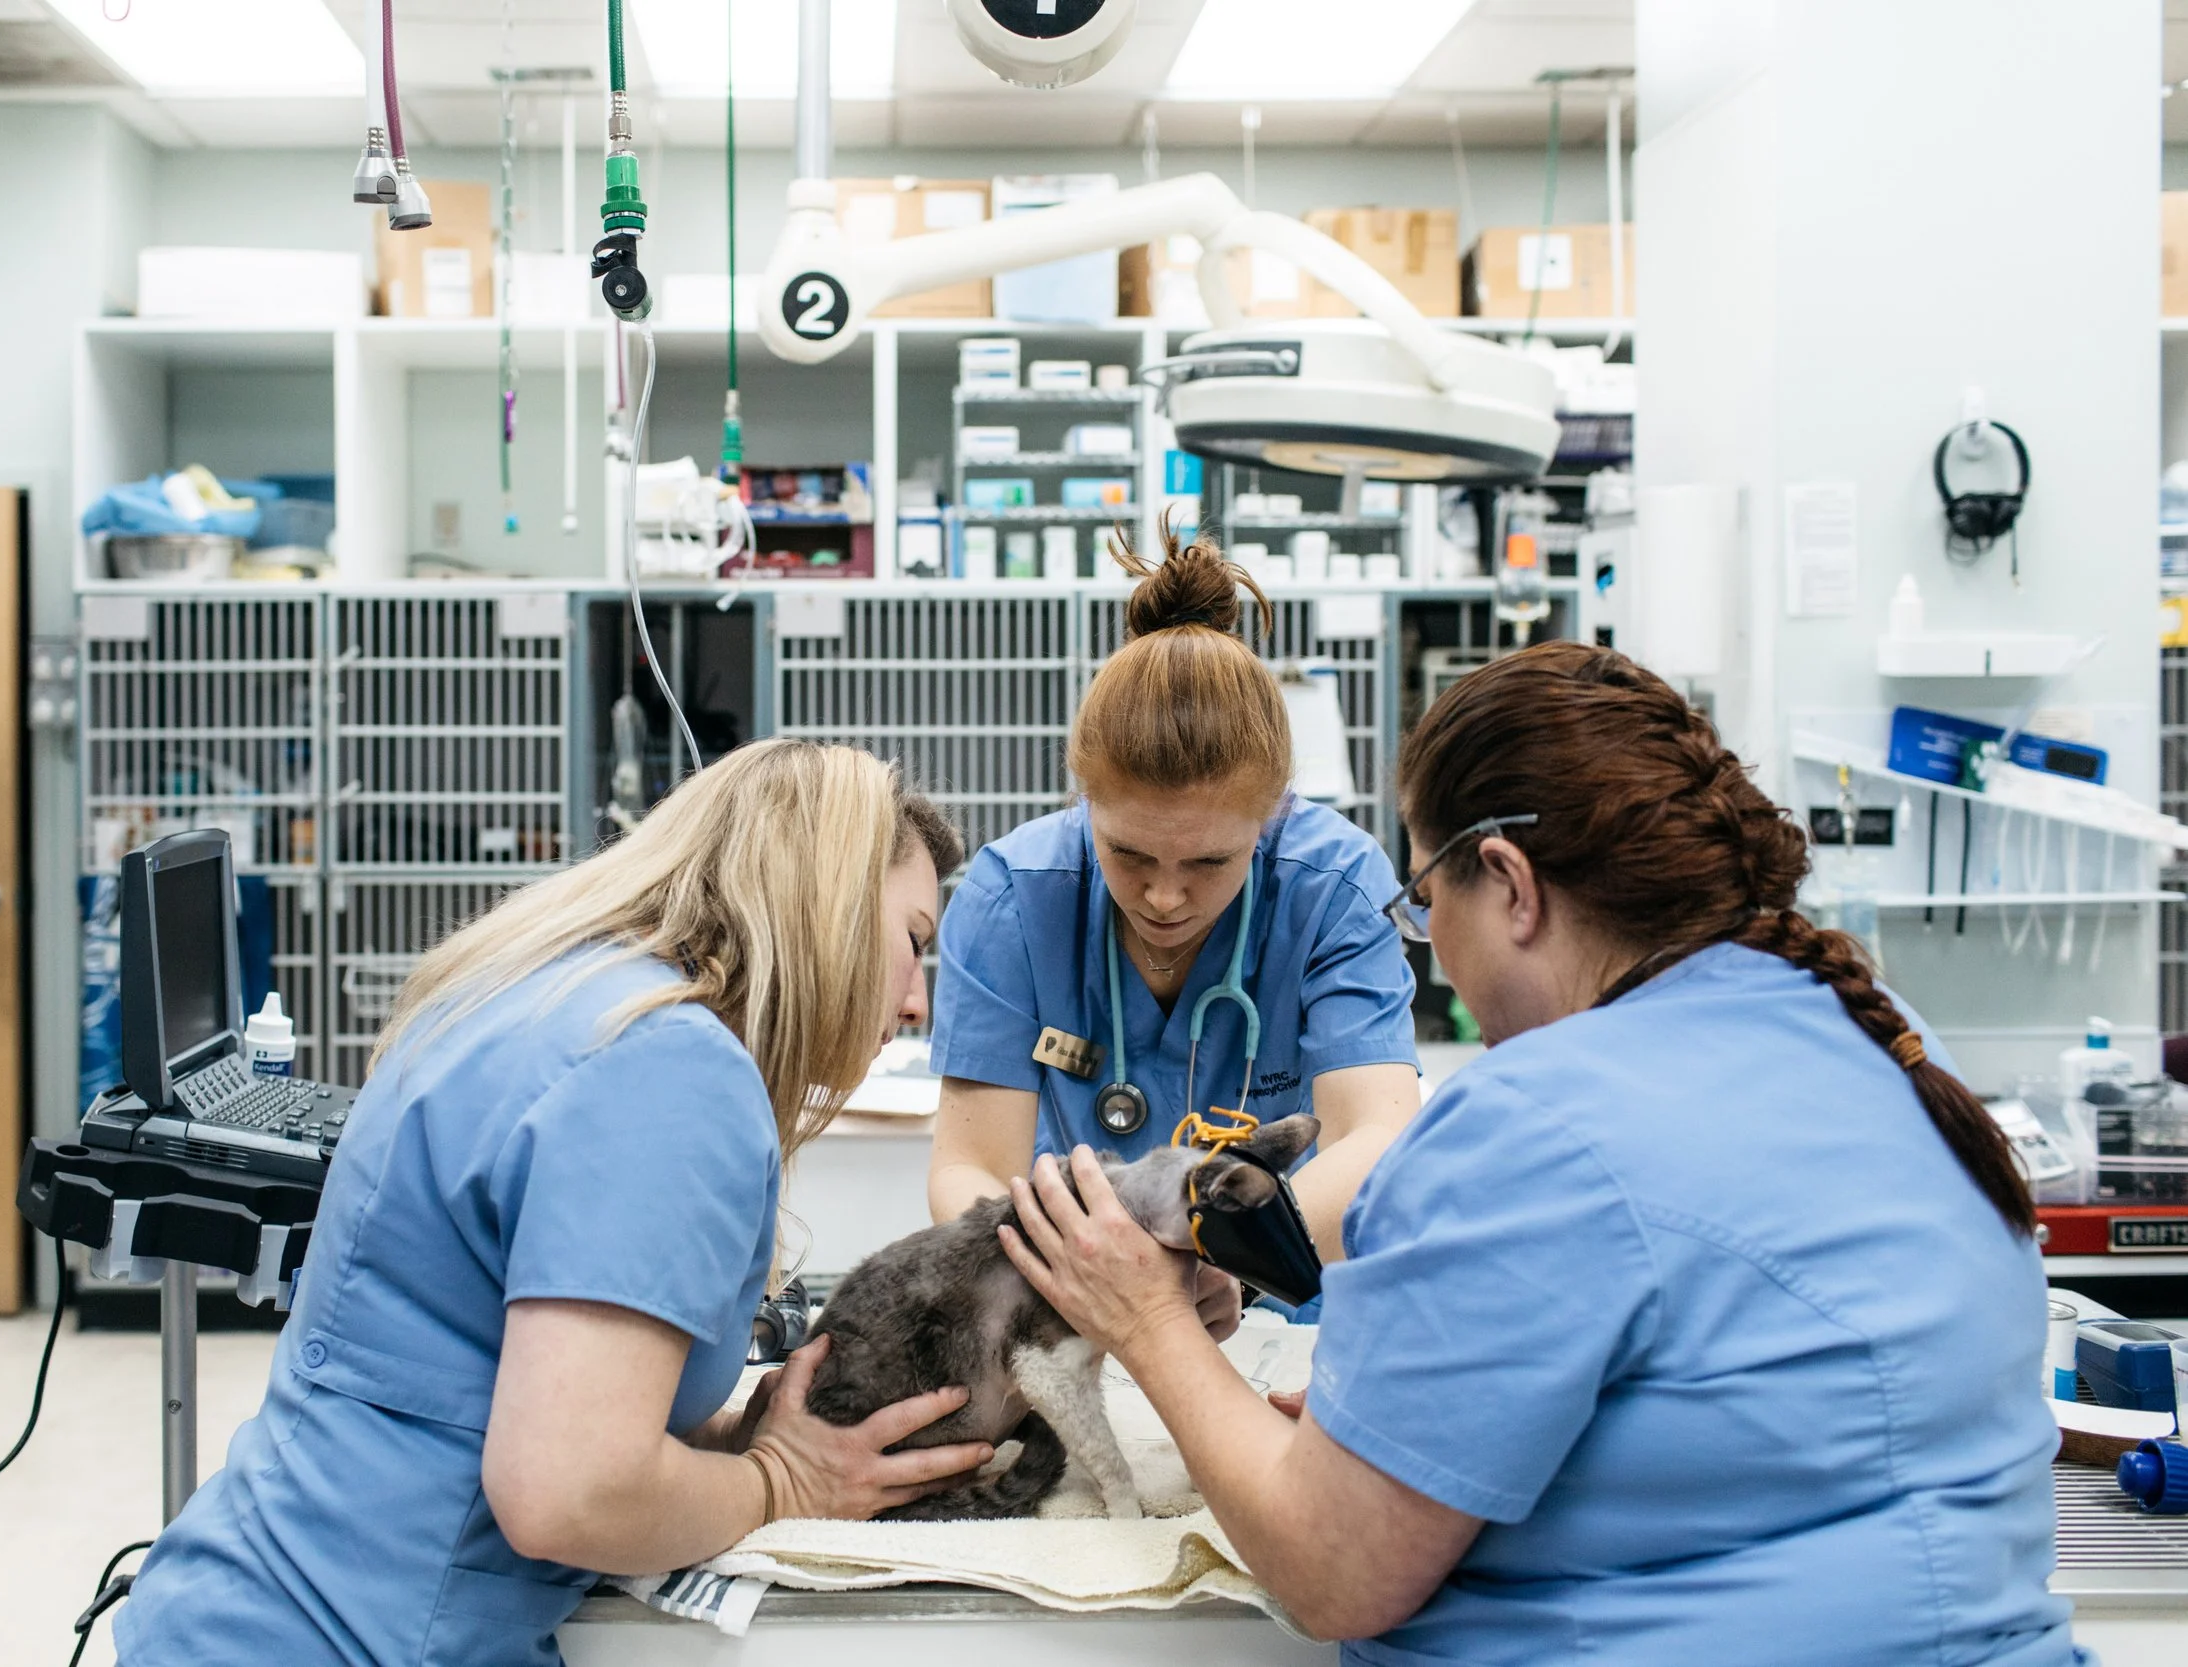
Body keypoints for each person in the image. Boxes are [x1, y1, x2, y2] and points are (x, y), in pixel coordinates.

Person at [998, 642, 2078, 1665]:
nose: (1439, 962)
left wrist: (1142, 1319)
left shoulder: (1533, 1124)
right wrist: (1389, 1429)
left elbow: (1330, 1572)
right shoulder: (1887, 1035)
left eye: (1425, 905)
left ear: (1508, 881)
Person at [114, 741, 992, 1667]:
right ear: (830, 904)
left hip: (251, 1596)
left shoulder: (542, 992)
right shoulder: (669, 1069)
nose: (913, 1002)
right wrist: (782, 1478)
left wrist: (725, 1442)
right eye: (914, 942)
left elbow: (502, 1365)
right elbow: (568, 1493)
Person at [925, 524, 1421, 1318]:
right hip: (1074, 1303)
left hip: (1286, 1312)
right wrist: (1085, 1280)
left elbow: (1379, 1136)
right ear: (1082, 798)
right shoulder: (1013, 898)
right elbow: (969, 1171)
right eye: (1128, 854)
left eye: (1209, 863)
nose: (1163, 897)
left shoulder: (1333, 887)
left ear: (1269, 818)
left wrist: (1231, 1258)